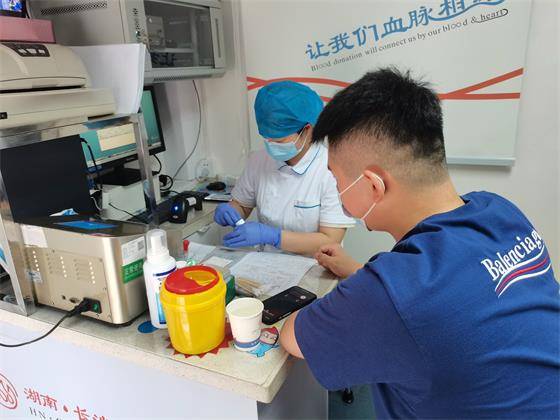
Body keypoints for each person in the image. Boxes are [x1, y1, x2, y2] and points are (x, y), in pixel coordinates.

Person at [279, 68, 559, 418]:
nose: (337, 191)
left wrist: (359, 292)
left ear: (373, 186)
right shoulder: (500, 211)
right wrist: (358, 273)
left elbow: (294, 337)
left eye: (336, 180)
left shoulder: (392, 292)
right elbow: (458, 291)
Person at [214, 81, 354, 255]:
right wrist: (231, 211)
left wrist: (274, 237)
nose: (271, 145)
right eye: (267, 138)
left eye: (279, 140)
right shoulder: (258, 160)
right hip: (266, 263)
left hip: (315, 266)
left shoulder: (331, 170)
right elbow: (242, 205)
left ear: (308, 130)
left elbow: (330, 240)